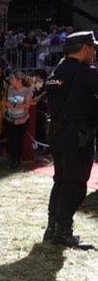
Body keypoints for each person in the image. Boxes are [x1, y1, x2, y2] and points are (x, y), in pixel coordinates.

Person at [42, 30, 98, 248]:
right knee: (75, 185)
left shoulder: (58, 71)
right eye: (93, 47)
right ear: (84, 48)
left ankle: (52, 227)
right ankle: (63, 231)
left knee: (61, 180)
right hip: (78, 137)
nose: (94, 52)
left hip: (57, 134)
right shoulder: (87, 73)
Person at [3, 71, 35, 168]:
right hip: (10, 118)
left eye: (13, 79)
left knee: (20, 140)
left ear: (19, 80)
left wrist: (13, 105)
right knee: (12, 140)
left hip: (22, 119)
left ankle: (17, 159)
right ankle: (13, 160)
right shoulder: (10, 89)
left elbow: (27, 106)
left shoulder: (27, 91)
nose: (10, 80)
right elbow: (7, 101)